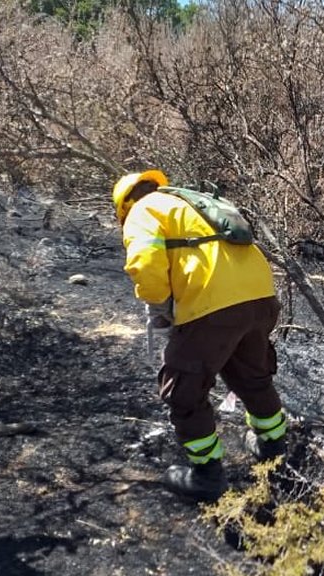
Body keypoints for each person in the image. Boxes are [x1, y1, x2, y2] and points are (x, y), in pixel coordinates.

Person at [112, 170, 290, 502]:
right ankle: (273, 448)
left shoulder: (143, 210)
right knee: (253, 377)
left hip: (213, 305)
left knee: (184, 391)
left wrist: (164, 306)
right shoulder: (190, 203)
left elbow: (145, 266)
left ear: (123, 207)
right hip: (261, 297)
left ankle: (207, 475)